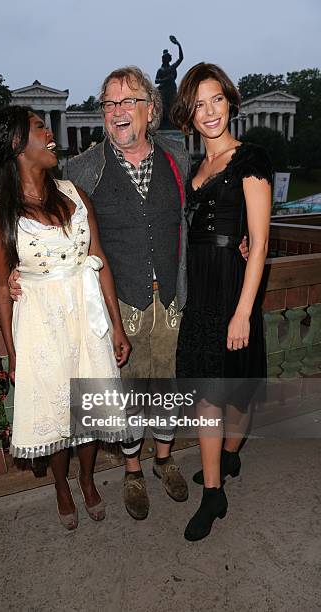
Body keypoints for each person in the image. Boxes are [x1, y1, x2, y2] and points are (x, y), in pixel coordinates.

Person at [10, 66, 191, 520]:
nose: (117, 111)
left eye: (129, 101)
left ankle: (164, 460)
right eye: (109, 103)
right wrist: (21, 267)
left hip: (170, 298)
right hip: (121, 303)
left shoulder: (177, 155)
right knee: (127, 395)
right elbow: (49, 221)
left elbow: (194, 216)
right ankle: (132, 470)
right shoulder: (83, 167)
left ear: (150, 110)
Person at [0, 105, 130, 530]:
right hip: (41, 326)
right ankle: (62, 485)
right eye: (40, 128)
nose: (50, 135)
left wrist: (116, 325)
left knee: (90, 411)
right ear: (16, 144)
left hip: (87, 316)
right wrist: (11, 351)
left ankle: (85, 478)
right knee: (59, 415)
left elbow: (98, 259)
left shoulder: (76, 195)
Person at [171, 63, 272, 541]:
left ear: (230, 101)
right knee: (206, 397)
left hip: (234, 293)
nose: (209, 112)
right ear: (189, 115)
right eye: (199, 105)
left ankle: (228, 456)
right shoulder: (195, 168)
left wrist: (244, 312)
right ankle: (214, 492)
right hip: (201, 296)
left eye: (217, 100)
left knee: (238, 393)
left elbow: (261, 244)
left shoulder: (250, 160)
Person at [155, 35, 184, 128]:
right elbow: (156, 80)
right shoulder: (160, 70)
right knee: (163, 108)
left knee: (173, 107)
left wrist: (178, 45)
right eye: (166, 57)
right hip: (163, 91)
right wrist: (166, 79)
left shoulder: (172, 67)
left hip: (171, 89)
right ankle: (163, 124)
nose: (167, 59)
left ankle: (173, 123)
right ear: (164, 59)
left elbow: (181, 58)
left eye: (168, 57)